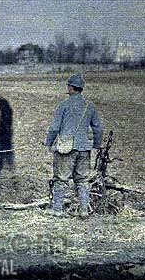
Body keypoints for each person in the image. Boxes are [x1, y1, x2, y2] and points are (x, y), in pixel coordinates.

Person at [44, 74, 103, 218]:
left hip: (66, 148)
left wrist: (48, 142)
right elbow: (98, 128)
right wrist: (96, 144)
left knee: (61, 179)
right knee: (82, 180)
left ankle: (57, 210)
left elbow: (54, 128)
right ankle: (83, 211)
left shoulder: (63, 105)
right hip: (84, 148)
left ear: (71, 87)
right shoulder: (90, 106)